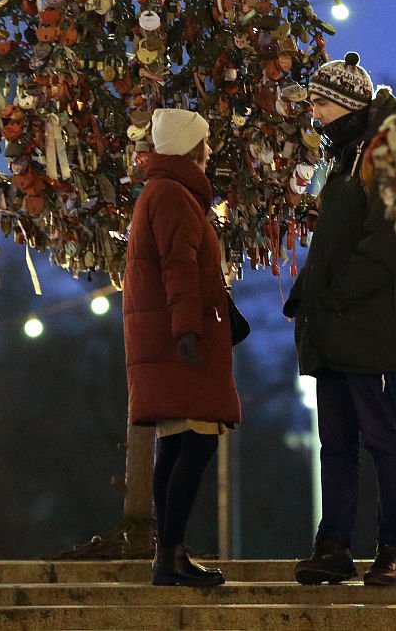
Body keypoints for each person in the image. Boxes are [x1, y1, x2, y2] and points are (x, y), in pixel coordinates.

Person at [283, 52, 396, 586]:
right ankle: (334, 544)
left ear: (343, 106)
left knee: (384, 439)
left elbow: (389, 240)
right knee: (336, 442)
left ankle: (392, 548)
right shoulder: (343, 158)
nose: (312, 114)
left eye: (318, 103)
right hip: (335, 324)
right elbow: (333, 246)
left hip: (369, 327)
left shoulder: (382, 155)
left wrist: (335, 297)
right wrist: (308, 297)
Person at [123, 108, 241, 587]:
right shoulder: (173, 195)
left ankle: (167, 555)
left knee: (176, 444)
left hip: (166, 334)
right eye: (205, 143)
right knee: (195, 444)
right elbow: (179, 266)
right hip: (180, 338)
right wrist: (188, 330)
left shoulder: (163, 192)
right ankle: (169, 555)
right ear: (190, 148)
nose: (210, 150)